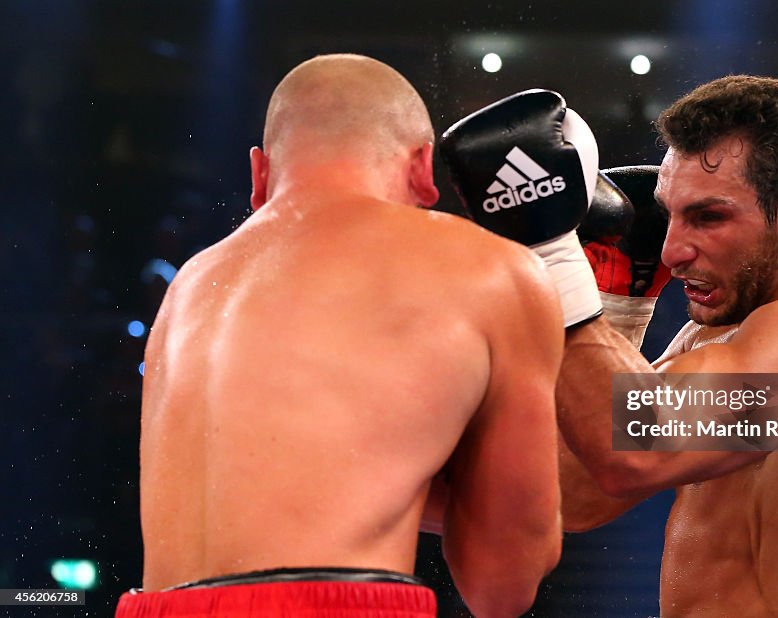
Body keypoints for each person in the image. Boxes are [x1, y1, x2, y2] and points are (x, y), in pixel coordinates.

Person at [116, 54, 564, 618]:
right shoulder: (486, 269)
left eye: (705, 218)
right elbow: (505, 583)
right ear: (424, 168)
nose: (676, 248)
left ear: (259, 174)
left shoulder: (189, 287)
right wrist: (572, 269)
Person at [443, 76, 778, 617]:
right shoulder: (720, 333)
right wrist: (620, 305)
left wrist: (553, 257)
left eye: (708, 216)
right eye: (669, 214)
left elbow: (634, 457)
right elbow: (581, 491)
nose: (672, 249)